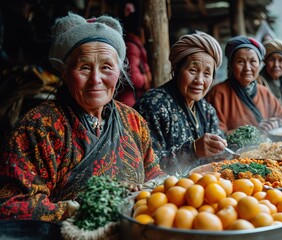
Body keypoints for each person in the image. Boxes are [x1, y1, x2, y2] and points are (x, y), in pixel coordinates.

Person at [0, 12, 164, 222]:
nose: (96, 79)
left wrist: (147, 190)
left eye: (106, 67)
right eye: (84, 67)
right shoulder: (39, 128)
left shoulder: (133, 120)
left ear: (120, 72)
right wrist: (71, 211)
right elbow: (11, 203)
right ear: (65, 73)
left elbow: (154, 174)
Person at [134, 31, 227, 175]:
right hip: (167, 192)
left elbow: (219, 153)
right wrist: (193, 150)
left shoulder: (207, 110)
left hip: (207, 188)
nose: (200, 80)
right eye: (193, 70)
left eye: (207, 74)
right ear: (176, 69)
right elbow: (145, 164)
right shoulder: (153, 105)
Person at [206, 36, 282, 133]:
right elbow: (216, 132)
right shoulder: (218, 93)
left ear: (260, 65)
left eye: (253, 61)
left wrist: (276, 123)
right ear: (231, 65)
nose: (247, 68)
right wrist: (253, 131)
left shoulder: (263, 91)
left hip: (266, 147)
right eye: (240, 62)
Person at [115, 1, 152, 107]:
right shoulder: (132, 47)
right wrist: (147, 78)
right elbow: (134, 78)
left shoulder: (134, 45)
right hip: (130, 101)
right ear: (140, 30)